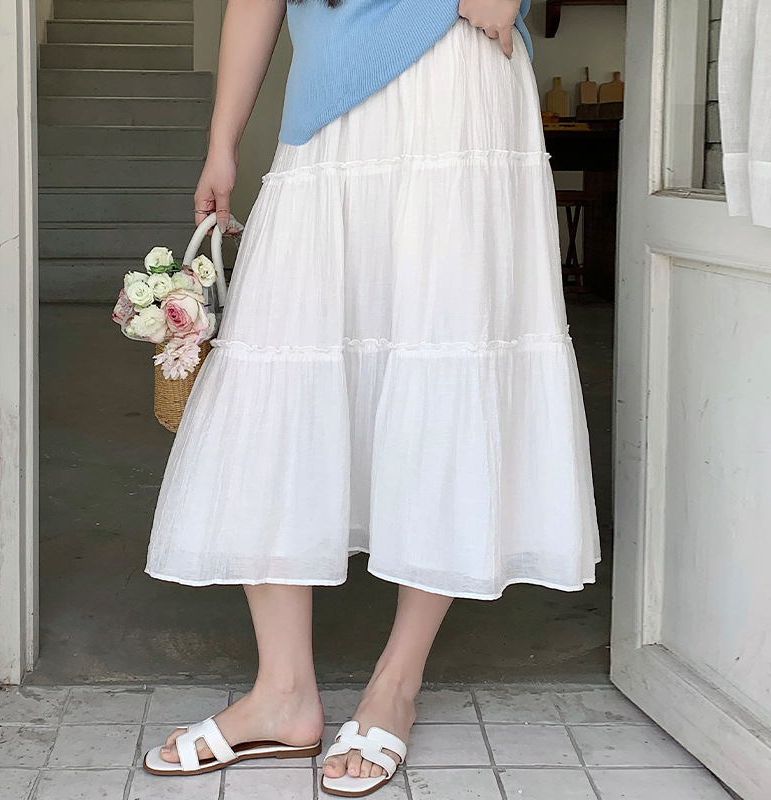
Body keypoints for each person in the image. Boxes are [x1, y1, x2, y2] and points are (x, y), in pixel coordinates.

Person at [141, 0, 601, 796]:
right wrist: (222, 142)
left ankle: (396, 686)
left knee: (446, 363)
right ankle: (283, 693)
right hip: (327, 108)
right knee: (280, 373)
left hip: (456, 87)